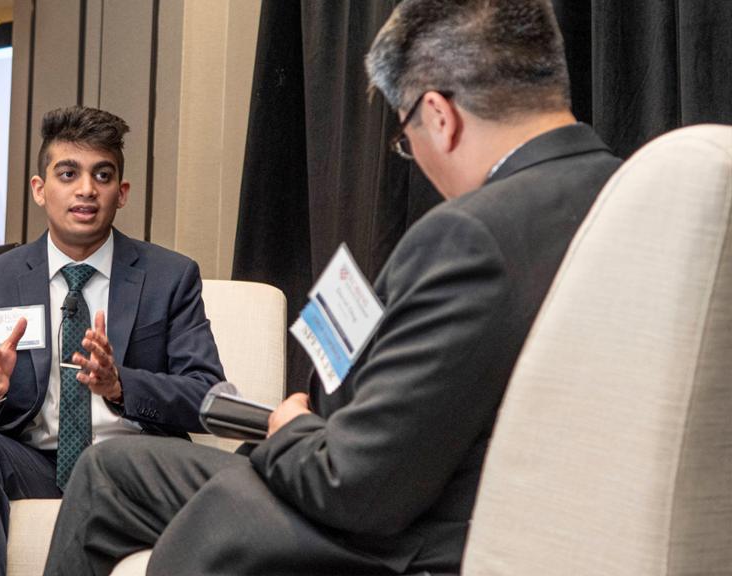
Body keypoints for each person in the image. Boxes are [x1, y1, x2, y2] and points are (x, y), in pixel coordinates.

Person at [42, 1, 623, 575]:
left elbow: (355, 485)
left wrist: (290, 429)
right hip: (495, 504)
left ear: (440, 117)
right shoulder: (620, 193)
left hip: (408, 532)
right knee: (114, 469)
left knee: (110, 478)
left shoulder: (468, 236)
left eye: (406, 138)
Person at [0, 106, 225, 576]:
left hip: (128, 464)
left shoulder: (169, 277)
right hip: (33, 460)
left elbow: (206, 393)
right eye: (68, 173)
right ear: (40, 189)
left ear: (121, 193)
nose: (86, 189)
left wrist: (122, 386)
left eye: (102, 175)